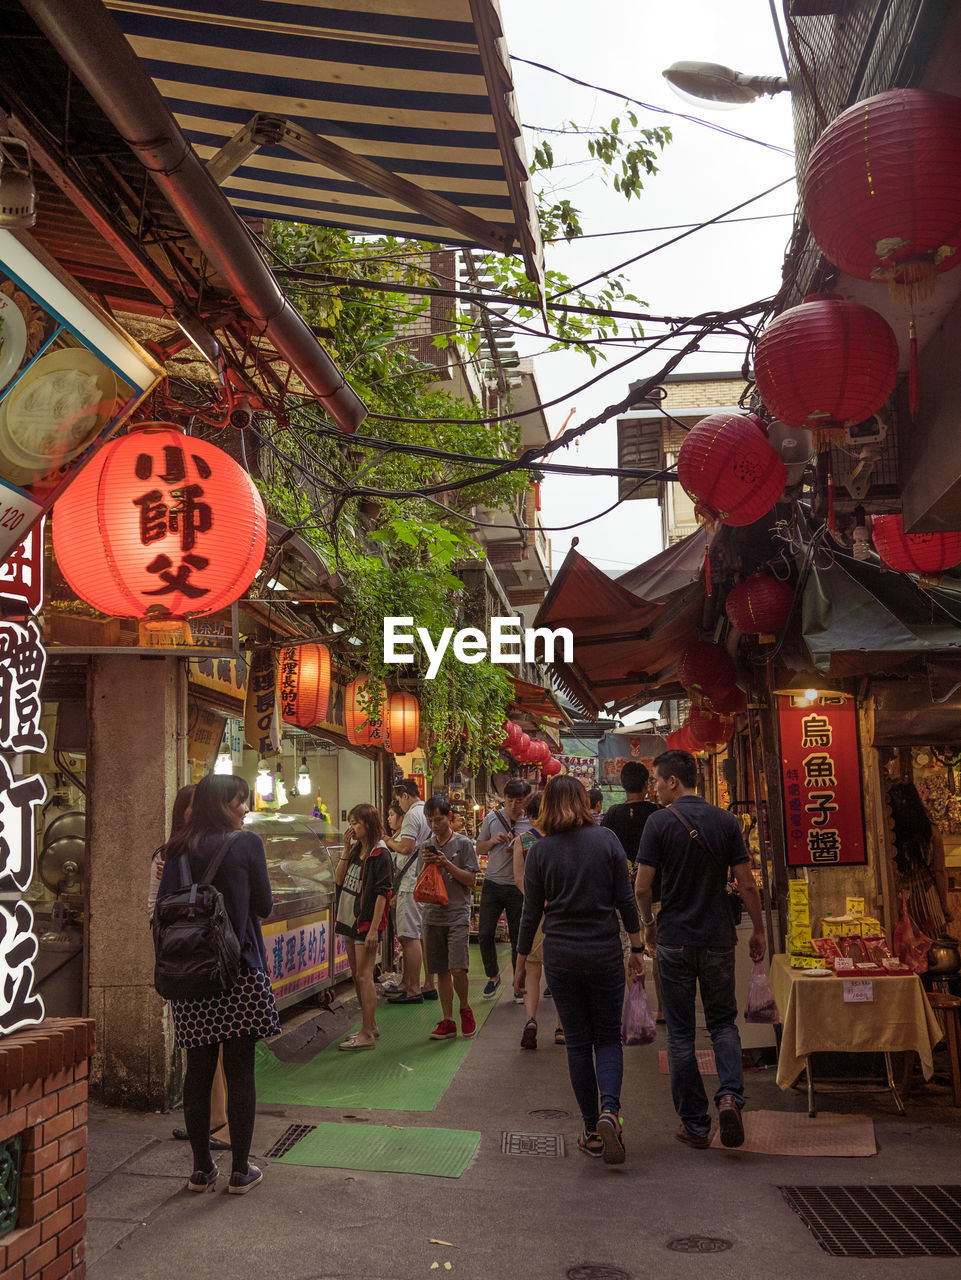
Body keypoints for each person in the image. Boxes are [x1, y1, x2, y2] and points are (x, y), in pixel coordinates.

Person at [156, 773, 279, 1195]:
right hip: (239, 970)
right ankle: (240, 1170)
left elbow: (163, 909)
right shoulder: (246, 845)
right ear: (219, 804)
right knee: (240, 1070)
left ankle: (200, 1169)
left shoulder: (176, 851)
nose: (245, 809)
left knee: (199, 1069)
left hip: (190, 975)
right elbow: (263, 905)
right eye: (238, 801)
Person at [635, 749, 764, 1151]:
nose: (654, 789)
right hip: (718, 938)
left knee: (680, 1034)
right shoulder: (726, 821)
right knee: (723, 1024)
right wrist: (759, 928)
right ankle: (729, 1096)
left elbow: (641, 887)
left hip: (674, 938)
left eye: (657, 781)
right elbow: (746, 883)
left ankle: (694, 1124)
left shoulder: (658, 823)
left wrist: (649, 926)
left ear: (674, 781)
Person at [516, 776, 644, 1165]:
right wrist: (637, 949)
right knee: (608, 1038)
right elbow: (626, 901)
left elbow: (530, 914)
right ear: (583, 802)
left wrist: (521, 963)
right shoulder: (607, 841)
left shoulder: (540, 852)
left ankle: (591, 1131)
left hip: (561, 956)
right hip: (604, 953)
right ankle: (610, 1110)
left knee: (577, 1042)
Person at [600, 761, 664, 1020]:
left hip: (622, 896)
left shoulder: (611, 816)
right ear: (647, 784)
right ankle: (662, 1009)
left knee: (631, 950)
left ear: (621, 785)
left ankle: (639, 1009)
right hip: (657, 892)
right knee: (658, 951)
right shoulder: (658, 813)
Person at [421, 795, 480, 1042]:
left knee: (457, 967)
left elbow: (471, 880)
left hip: (457, 913)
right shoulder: (425, 846)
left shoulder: (463, 844)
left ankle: (465, 1008)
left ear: (450, 818)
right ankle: (448, 1020)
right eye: (430, 820)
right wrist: (428, 867)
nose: (435, 825)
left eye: (439, 819)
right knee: (441, 970)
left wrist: (447, 865)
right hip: (432, 915)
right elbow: (419, 883)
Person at [334, 803, 392, 1049]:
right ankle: (370, 1025)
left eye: (357, 823)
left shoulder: (381, 853)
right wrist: (346, 850)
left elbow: (383, 893)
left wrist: (373, 929)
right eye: (351, 823)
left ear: (369, 823)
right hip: (348, 918)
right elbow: (338, 879)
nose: (353, 828)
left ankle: (367, 1033)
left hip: (366, 921)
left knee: (365, 976)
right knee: (357, 977)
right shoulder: (357, 849)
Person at [512, 792, 564, 1050]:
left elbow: (519, 879)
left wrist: (536, 900)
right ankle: (561, 1026)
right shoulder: (560, 840)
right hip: (559, 912)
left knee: (533, 971)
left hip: (533, 912)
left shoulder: (523, 841)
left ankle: (531, 1019)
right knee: (558, 972)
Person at [476, 779, 532, 999]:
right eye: (509, 801)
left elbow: (539, 848)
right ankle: (493, 976)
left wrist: (520, 846)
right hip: (492, 883)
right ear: (504, 799)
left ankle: (518, 983)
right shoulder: (492, 818)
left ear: (525, 800)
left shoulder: (531, 821)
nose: (513, 806)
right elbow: (479, 847)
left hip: (518, 886)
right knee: (485, 933)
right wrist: (493, 841)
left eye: (518, 802)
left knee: (519, 938)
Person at [384, 779, 435, 1003]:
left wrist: (387, 840)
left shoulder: (413, 815)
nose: (398, 805)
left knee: (409, 937)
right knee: (419, 936)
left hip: (411, 884)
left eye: (398, 800)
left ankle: (413, 989)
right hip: (421, 882)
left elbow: (406, 847)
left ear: (405, 795)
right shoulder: (425, 812)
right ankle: (420, 984)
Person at [888, 779, 952, 937]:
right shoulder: (930, 831)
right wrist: (944, 906)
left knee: (910, 951)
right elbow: (939, 871)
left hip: (903, 903)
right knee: (935, 949)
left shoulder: (892, 837)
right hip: (929, 899)